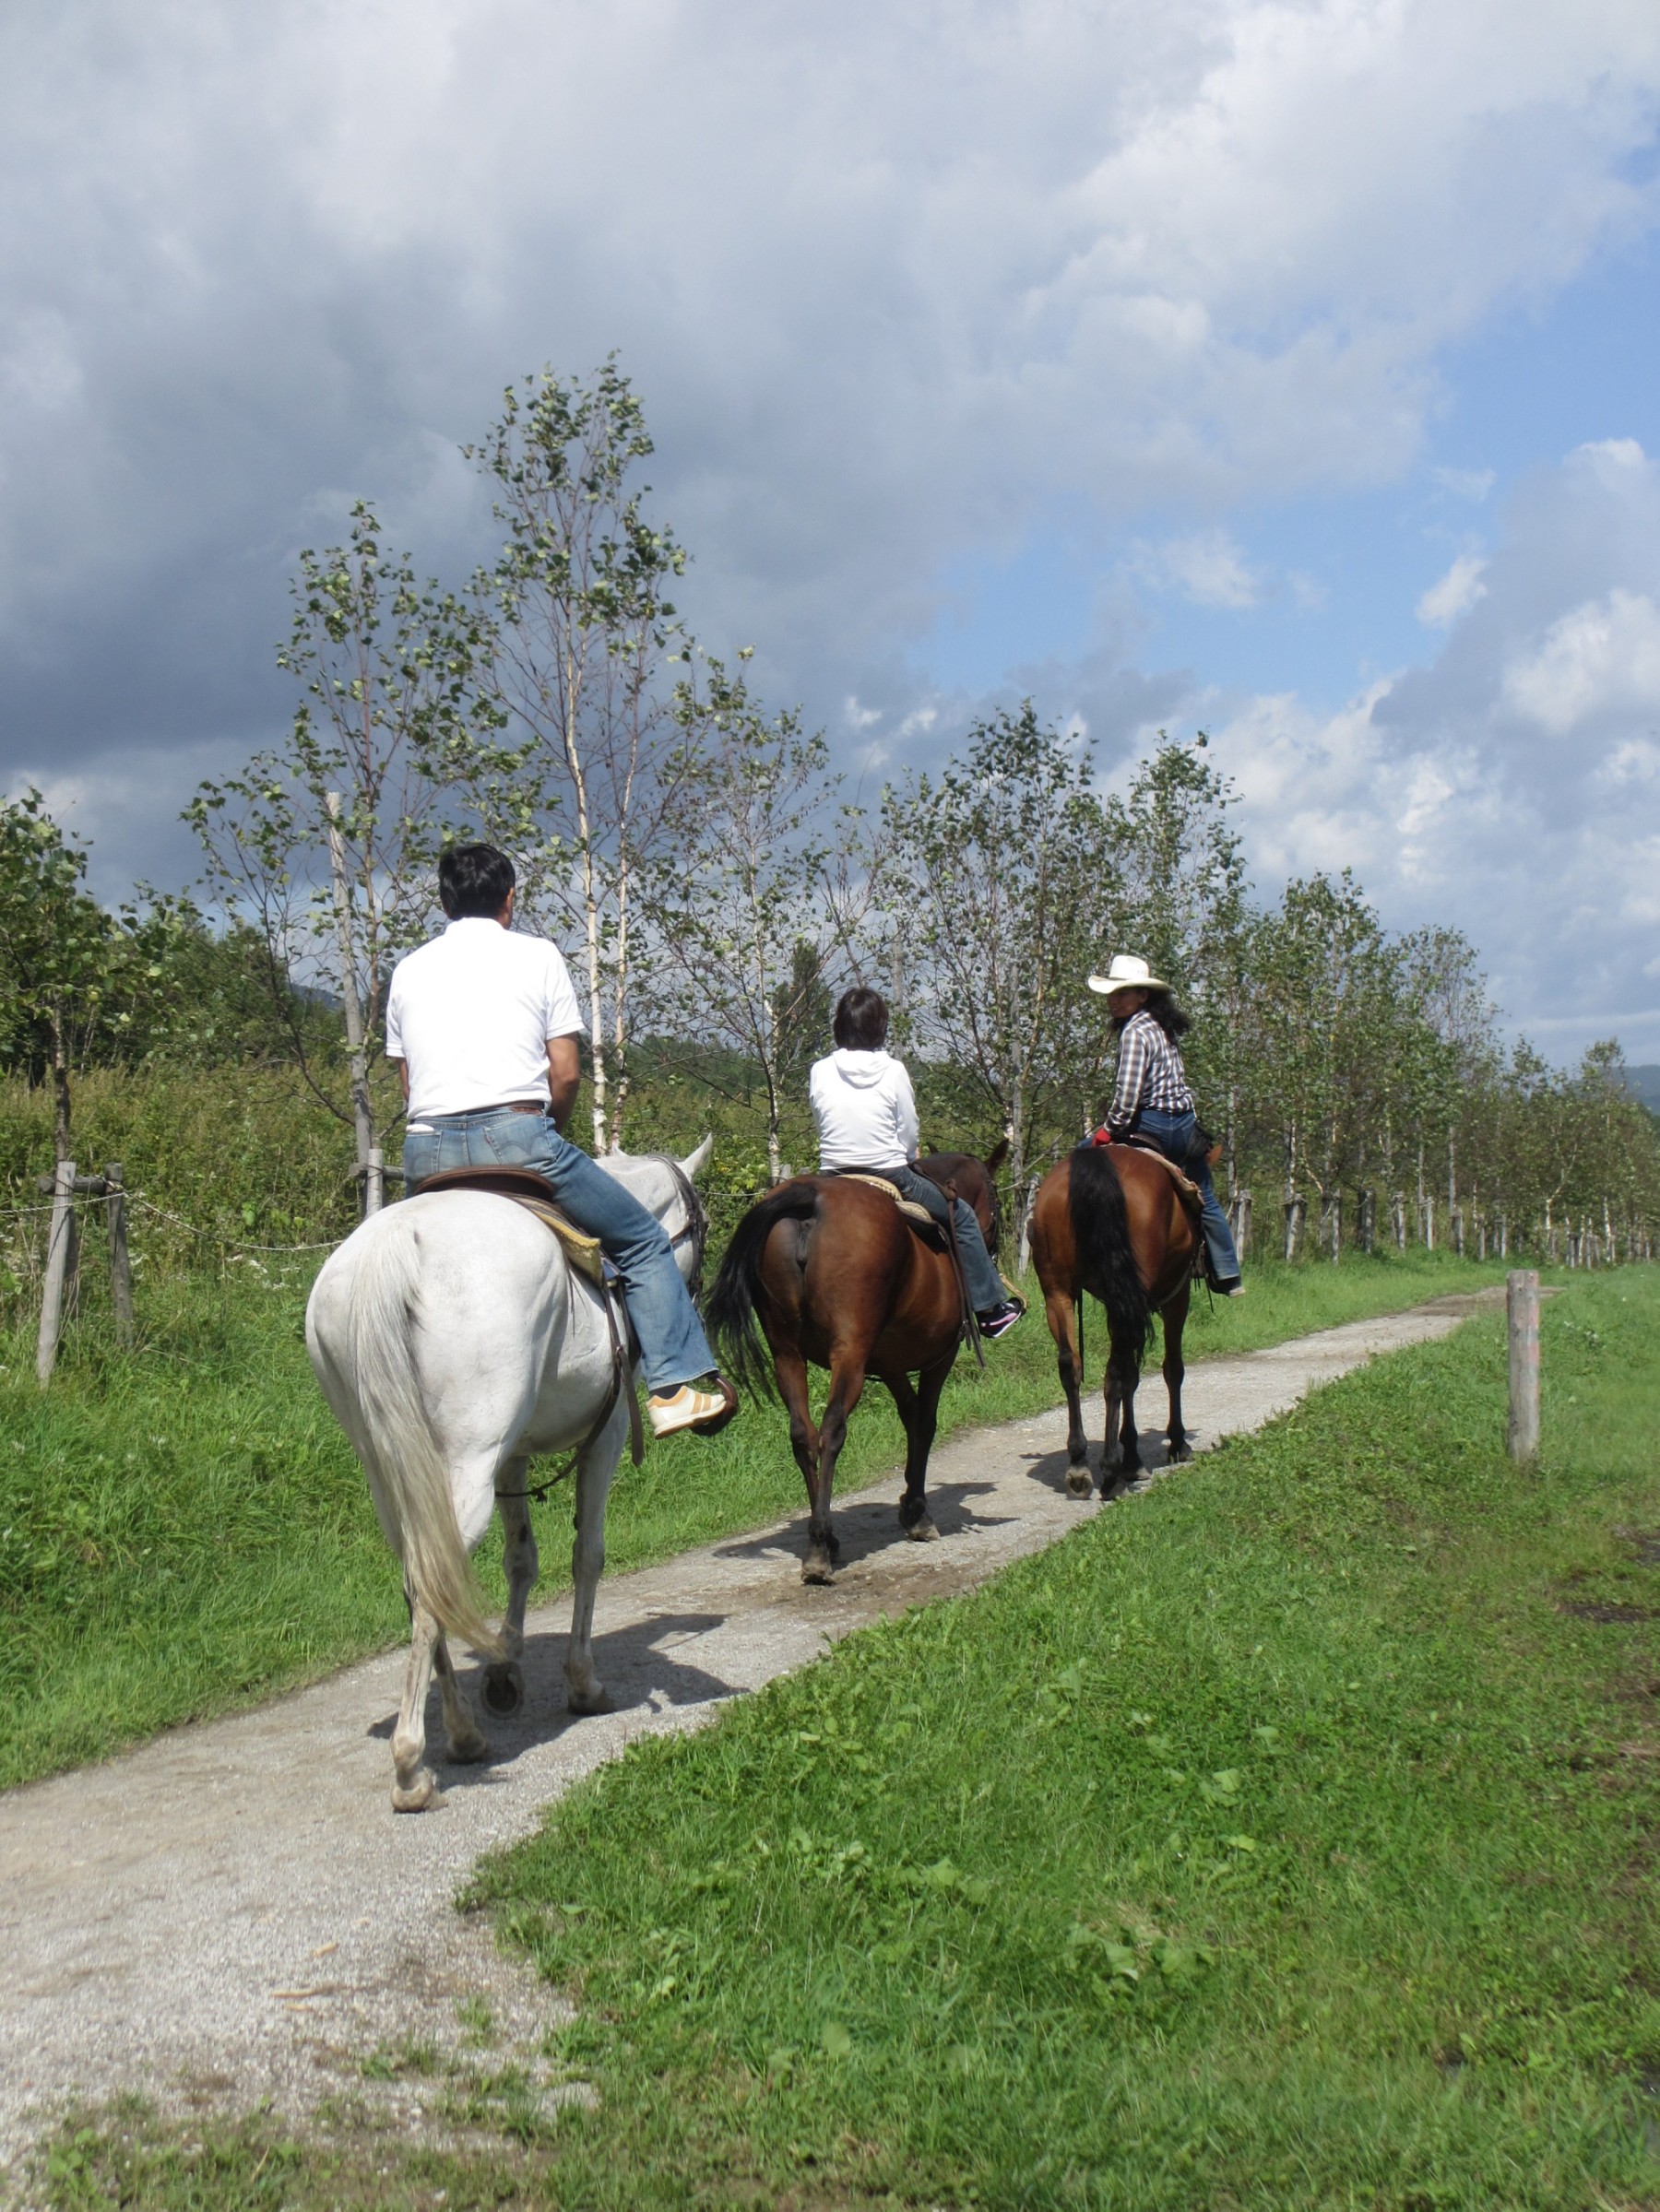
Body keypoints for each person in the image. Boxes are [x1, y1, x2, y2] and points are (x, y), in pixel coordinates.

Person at [385, 843, 737, 1439]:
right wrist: (550, 1130)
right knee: (645, 1242)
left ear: (443, 902)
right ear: (509, 899)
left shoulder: (408, 968)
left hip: (426, 1152)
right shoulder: (539, 956)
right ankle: (673, 1388)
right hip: (521, 1139)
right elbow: (566, 1072)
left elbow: (409, 1083)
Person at [808, 986, 1025, 1339]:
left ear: (839, 1026)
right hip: (889, 1172)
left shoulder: (820, 1069)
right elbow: (908, 1128)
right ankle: (990, 1309)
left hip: (832, 1174)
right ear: (880, 1026)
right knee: (964, 1217)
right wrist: (909, 1156)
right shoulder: (893, 1070)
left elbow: (820, 1118)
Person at [1088, 952, 1244, 1297]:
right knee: (1205, 1195)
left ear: (1143, 995)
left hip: (1150, 1126)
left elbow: (1127, 1096)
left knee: (1080, 1161)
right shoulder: (1161, 1027)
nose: (1114, 1001)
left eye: (1122, 993)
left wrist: (1106, 1131)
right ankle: (1227, 1271)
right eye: (1112, 994)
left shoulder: (1133, 1033)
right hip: (1185, 1128)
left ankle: (1080, 1256)